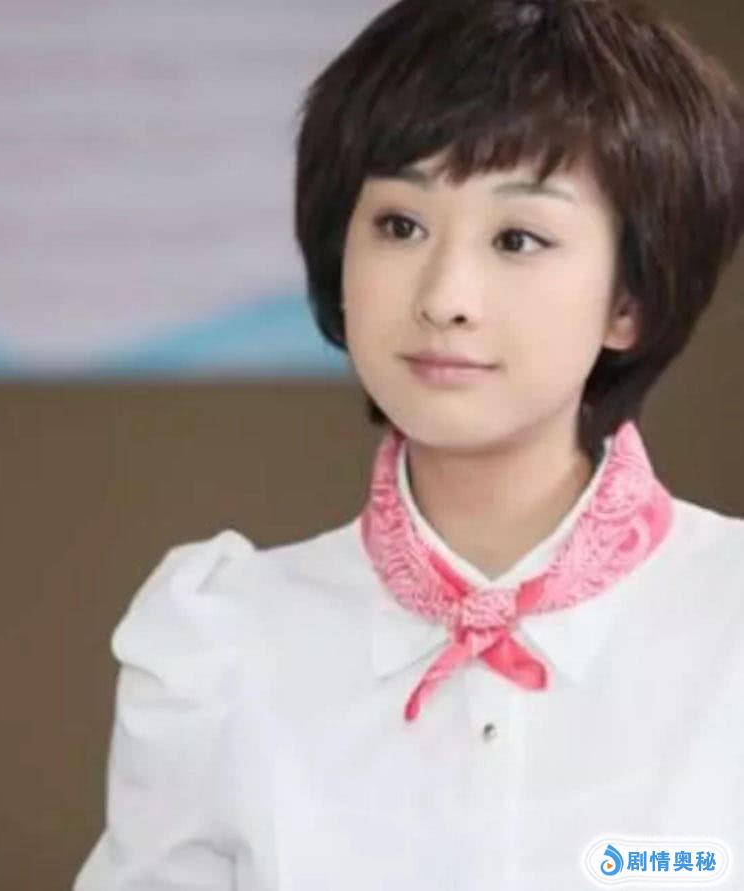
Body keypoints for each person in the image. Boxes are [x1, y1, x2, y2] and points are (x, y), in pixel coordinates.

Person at [74, 0, 744, 887]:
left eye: (518, 238)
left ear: (629, 301)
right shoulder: (223, 646)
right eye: (400, 225)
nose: (444, 297)